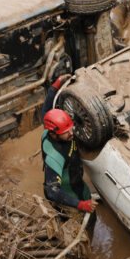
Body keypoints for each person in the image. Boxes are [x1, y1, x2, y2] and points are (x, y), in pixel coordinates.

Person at [41, 75, 97, 214]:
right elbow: (52, 191)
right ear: (53, 133)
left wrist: (55, 86)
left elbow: (47, 110)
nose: (72, 133)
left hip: (78, 183)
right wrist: (80, 205)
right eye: (66, 132)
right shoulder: (54, 156)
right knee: (84, 222)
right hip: (68, 197)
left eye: (71, 128)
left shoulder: (49, 128)